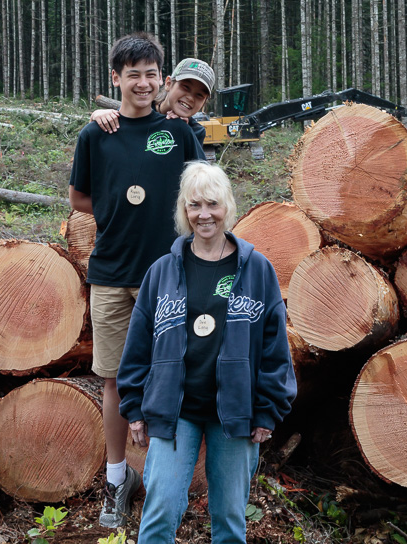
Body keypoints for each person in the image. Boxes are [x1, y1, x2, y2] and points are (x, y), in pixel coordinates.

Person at [117, 161, 297, 544]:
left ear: (227, 206)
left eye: (212, 204)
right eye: (194, 205)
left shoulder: (257, 270)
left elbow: (275, 348)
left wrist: (267, 409)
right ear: (184, 210)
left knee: (229, 520)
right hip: (174, 410)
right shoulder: (163, 271)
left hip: (235, 412)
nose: (204, 214)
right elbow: (138, 345)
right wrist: (133, 406)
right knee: (160, 510)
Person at [69, 32, 205, 529]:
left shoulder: (179, 132)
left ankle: (167, 481)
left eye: (151, 74)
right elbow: (79, 198)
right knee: (113, 378)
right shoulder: (96, 134)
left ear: (162, 79)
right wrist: (115, 211)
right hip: (111, 273)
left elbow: (203, 195)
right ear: (116, 79)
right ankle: (116, 478)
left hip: (169, 274)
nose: (143, 83)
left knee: (173, 371)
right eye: (133, 75)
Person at [90, 57, 215, 145]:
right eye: (186, 87)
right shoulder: (143, 108)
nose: (190, 98)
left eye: (199, 95)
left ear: (204, 103)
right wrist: (97, 116)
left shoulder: (195, 131)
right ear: (168, 83)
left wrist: (182, 132)